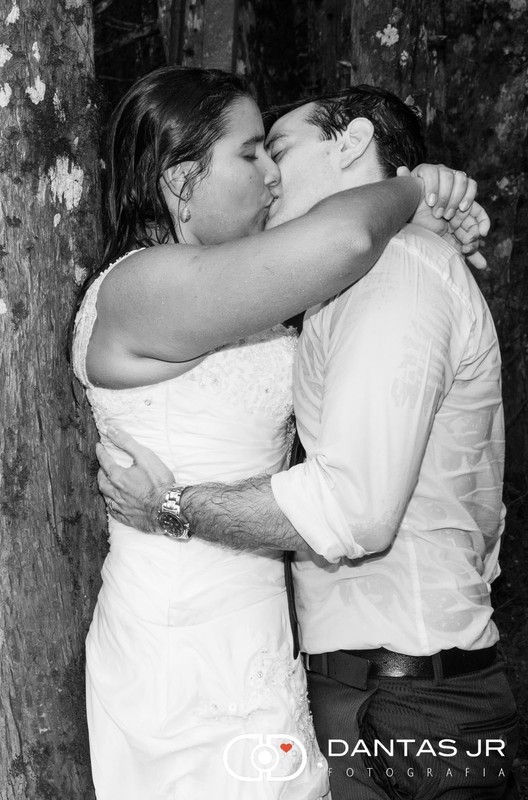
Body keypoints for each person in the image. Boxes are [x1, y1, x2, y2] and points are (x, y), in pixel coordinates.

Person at [74, 67, 487, 800]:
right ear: (178, 181)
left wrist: (424, 228)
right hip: (179, 640)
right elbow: (352, 231)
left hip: (263, 634)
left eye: (276, 151)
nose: (269, 175)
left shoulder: (248, 295)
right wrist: (418, 189)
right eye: (251, 153)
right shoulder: (142, 287)